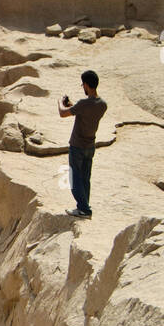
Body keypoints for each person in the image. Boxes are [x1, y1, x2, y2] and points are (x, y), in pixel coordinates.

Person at [58, 70, 107, 218]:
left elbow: (62, 113)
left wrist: (60, 102)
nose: (83, 88)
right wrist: (73, 106)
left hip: (77, 145)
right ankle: (84, 206)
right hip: (90, 146)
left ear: (86, 84)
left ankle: (84, 209)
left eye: (83, 85)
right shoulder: (102, 104)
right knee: (85, 177)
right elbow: (85, 113)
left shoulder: (84, 104)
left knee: (74, 178)